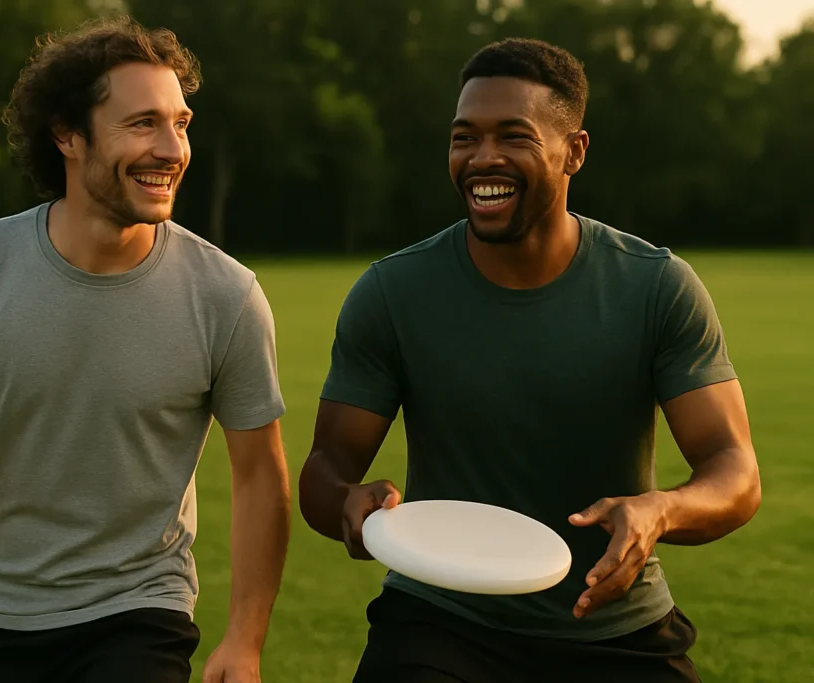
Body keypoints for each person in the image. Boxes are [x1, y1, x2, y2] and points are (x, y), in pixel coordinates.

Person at [298, 37, 761, 683]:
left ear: (573, 151)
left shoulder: (655, 286)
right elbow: (325, 468)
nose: (482, 158)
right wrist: (347, 501)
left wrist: (661, 510)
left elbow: (734, 472)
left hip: (611, 624)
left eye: (512, 136)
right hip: (440, 620)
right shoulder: (393, 292)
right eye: (464, 138)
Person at [0, 16, 290, 683]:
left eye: (181, 123)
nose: (172, 148)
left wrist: (244, 639)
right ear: (66, 134)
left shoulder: (226, 295)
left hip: (135, 611)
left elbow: (261, 475)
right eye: (142, 123)